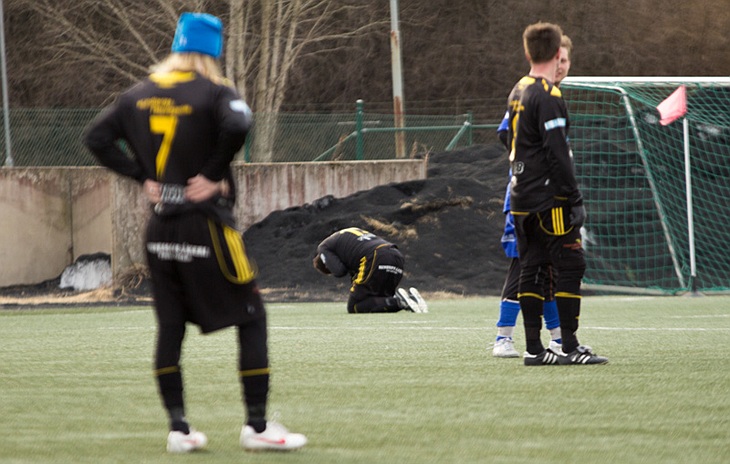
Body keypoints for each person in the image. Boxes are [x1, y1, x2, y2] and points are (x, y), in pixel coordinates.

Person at [83, 12, 307, 452]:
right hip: (206, 226)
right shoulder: (215, 91)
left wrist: (141, 176)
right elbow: (239, 124)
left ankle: (179, 430)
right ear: (212, 51)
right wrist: (212, 173)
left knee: (170, 327)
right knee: (253, 317)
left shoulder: (137, 95)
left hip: (160, 229)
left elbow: (96, 138)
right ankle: (257, 427)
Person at [505, 22, 607, 365]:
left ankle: (535, 349)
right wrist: (573, 198)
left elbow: (508, 137)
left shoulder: (518, 88)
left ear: (528, 51)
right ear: (554, 52)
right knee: (571, 264)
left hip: (520, 195)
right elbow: (557, 153)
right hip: (548, 199)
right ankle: (569, 346)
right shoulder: (548, 95)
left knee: (532, 267)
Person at [491, 35, 573, 358]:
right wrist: (528, 167)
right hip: (527, 196)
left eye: (565, 61)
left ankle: (558, 338)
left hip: (546, 196)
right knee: (523, 264)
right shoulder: (530, 93)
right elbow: (504, 132)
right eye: (558, 59)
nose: (561, 66)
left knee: (547, 267)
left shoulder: (552, 96)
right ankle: (504, 336)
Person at [313, 227, 428, 314]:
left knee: (354, 306)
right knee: (379, 300)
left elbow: (339, 271)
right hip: (396, 256)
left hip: (375, 257)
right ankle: (411, 298)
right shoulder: (347, 235)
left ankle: (398, 302)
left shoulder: (324, 247)